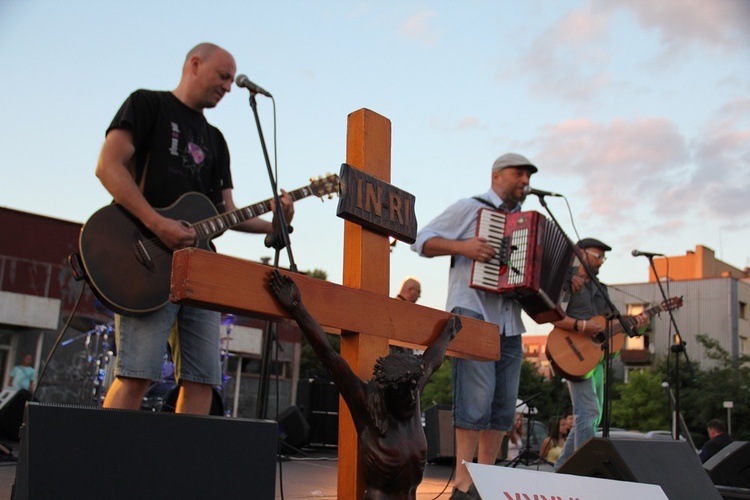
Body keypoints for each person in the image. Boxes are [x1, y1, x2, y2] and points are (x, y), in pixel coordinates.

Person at [96, 43, 294, 415]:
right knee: (136, 373)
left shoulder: (216, 139)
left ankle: (180, 469)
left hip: (201, 269)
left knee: (203, 380)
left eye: (233, 81)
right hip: (147, 260)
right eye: (223, 76)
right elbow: (108, 166)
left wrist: (277, 220)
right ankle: (105, 465)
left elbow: (228, 212)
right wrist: (158, 223)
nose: (228, 87)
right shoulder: (146, 104)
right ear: (194, 64)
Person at [268, 269, 462, 500]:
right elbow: (329, 355)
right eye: (404, 393)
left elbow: (431, 362)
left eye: (413, 388)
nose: (412, 397)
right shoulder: (367, 404)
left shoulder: (411, 391)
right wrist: (297, 308)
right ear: (388, 391)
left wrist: (448, 333)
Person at [411, 152, 538, 499]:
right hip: (473, 310)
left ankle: (487, 481)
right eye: (518, 174)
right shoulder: (471, 207)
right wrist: (463, 246)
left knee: (502, 407)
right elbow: (420, 240)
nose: (524, 181)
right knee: (475, 402)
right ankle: (463, 484)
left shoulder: (526, 224)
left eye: (528, 176)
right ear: (497, 175)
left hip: (510, 321)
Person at [552, 238, 649, 469]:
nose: (602, 261)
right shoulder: (567, 283)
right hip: (571, 353)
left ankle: (561, 471)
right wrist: (582, 327)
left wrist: (638, 326)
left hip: (595, 358)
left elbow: (607, 325)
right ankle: (582, 471)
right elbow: (555, 316)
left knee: (589, 416)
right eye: (598, 256)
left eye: (603, 257)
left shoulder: (601, 289)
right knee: (589, 412)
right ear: (581, 254)